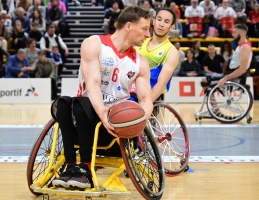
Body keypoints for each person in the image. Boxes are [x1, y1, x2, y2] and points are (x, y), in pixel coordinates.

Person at [51, 6, 153, 189]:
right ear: (129, 26)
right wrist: (102, 113)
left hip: (117, 130)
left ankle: (86, 169)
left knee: (80, 103)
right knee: (65, 103)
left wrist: (139, 122)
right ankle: (72, 167)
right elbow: (92, 84)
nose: (148, 35)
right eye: (145, 28)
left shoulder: (141, 63)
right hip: (84, 119)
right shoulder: (94, 44)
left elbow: (146, 100)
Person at [134, 8, 180, 102]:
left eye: (166, 22)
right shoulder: (139, 41)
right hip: (129, 91)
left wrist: (145, 104)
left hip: (149, 97)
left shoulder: (172, 52)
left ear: (171, 27)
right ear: (154, 21)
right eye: (159, 19)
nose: (161, 24)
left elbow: (161, 84)